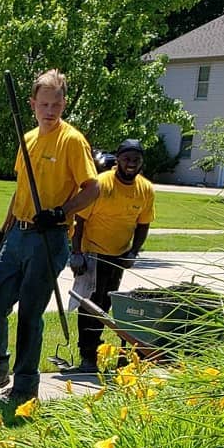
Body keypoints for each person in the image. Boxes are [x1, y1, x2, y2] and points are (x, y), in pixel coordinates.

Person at [0, 68, 99, 405]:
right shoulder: (27, 138)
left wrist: (61, 212)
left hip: (50, 238)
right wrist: (3, 231)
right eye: (44, 104)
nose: (50, 111)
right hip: (18, 234)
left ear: (64, 104)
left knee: (30, 314)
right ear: (32, 104)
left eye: (56, 104)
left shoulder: (72, 141)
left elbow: (93, 189)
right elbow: (20, 191)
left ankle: (26, 385)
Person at [68, 138, 156, 372]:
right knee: (90, 306)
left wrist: (133, 252)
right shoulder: (100, 184)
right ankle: (87, 357)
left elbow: (143, 224)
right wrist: (76, 253)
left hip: (119, 257)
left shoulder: (145, 189)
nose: (131, 163)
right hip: (92, 255)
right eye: (127, 158)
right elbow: (79, 220)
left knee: (106, 306)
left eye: (136, 159)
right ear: (118, 160)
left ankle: (99, 352)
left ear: (141, 162)